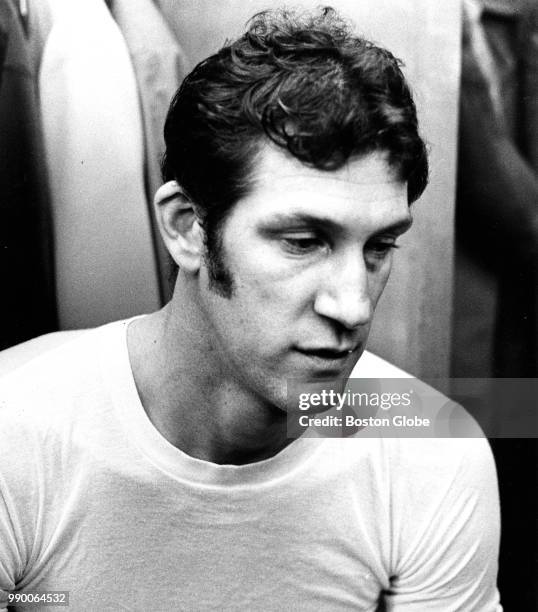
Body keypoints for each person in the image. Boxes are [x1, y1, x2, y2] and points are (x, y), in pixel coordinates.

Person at [0, 7, 501, 611]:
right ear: (188, 228)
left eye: (379, 246)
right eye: (302, 241)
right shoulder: (17, 433)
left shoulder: (431, 452)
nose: (353, 305)